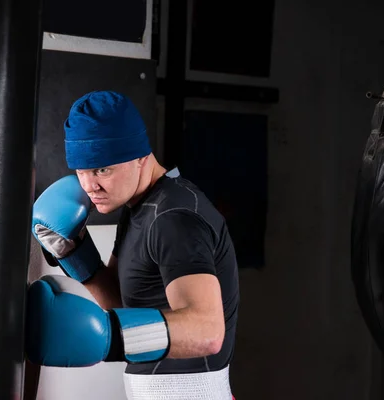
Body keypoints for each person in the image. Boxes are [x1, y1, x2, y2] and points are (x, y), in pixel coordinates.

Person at [26, 90, 240, 400]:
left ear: (140, 156)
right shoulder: (140, 208)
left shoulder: (173, 217)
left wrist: (108, 337)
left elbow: (207, 331)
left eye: (102, 170)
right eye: (81, 171)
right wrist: (75, 252)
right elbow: (124, 304)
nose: (89, 186)